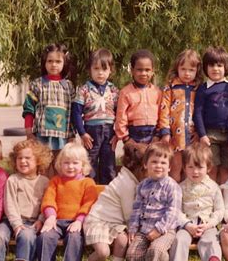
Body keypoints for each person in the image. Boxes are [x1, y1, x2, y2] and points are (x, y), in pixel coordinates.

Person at [76, 142, 147, 261]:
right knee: (103, 252)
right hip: (99, 221)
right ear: (139, 168)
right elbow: (129, 215)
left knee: (122, 240)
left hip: (115, 224)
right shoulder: (126, 183)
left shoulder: (131, 179)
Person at [0, 139, 52, 261]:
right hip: (11, 220)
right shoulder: (13, 179)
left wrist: (41, 220)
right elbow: (10, 204)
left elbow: (47, 204)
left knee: (27, 236)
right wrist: (16, 224)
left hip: (33, 222)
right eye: (20, 158)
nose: (23, 161)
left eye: (28, 158)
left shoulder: (45, 182)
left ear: (38, 160)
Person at [36, 143, 98, 261]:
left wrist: (79, 220)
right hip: (56, 221)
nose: (70, 167)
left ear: (83, 165)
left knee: (74, 238)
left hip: (76, 222)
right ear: (60, 164)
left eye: (75, 163)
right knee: (45, 236)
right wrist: (50, 217)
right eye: (66, 163)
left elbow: (89, 203)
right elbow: (48, 199)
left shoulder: (87, 182)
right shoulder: (56, 181)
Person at [164, 143, 224, 261]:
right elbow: (176, 211)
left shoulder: (214, 187)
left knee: (211, 239)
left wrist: (210, 224)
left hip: (206, 225)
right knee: (179, 239)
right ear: (184, 168)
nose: (195, 172)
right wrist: (186, 224)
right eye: (190, 167)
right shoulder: (180, 187)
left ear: (208, 168)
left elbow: (220, 210)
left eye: (199, 167)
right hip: (187, 225)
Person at [126, 142, 182, 261]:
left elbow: (173, 212)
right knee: (132, 254)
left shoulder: (172, 186)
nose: (158, 166)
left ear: (169, 167)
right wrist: (132, 227)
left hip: (165, 231)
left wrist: (158, 230)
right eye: (154, 162)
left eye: (163, 163)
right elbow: (137, 208)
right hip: (144, 229)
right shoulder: (143, 186)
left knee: (156, 250)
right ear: (146, 164)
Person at [71, 48, 119, 184]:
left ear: (110, 70)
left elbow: (120, 113)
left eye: (104, 69)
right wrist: (82, 133)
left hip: (109, 131)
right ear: (90, 70)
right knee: (89, 162)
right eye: (96, 68)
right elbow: (76, 113)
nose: (100, 73)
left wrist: (117, 133)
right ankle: (89, 190)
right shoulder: (84, 90)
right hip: (91, 132)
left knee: (108, 163)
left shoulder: (114, 90)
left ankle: (108, 193)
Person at [193, 46, 228, 184]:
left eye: (219, 65)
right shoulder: (203, 88)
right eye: (211, 65)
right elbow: (198, 113)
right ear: (205, 68)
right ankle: (212, 196)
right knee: (211, 167)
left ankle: (224, 199)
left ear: (226, 67)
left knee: (227, 168)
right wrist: (202, 135)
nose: (215, 69)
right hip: (210, 135)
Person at [158, 49, 204, 182]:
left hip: (192, 136)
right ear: (177, 68)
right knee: (175, 168)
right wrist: (165, 132)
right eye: (183, 69)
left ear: (197, 71)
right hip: (175, 137)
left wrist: (200, 133)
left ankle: (187, 199)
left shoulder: (199, 88)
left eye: (191, 70)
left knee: (190, 168)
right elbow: (164, 109)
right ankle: (174, 197)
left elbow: (202, 111)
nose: (187, 73)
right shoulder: (170, 87)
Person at [23, 43, 75, 155]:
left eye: (58, 61)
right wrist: (28, 131)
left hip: (62, 135)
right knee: (43, 165)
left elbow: (73, 113)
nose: (54, 65)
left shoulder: (68, 86)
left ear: (64, 63)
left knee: (60, 165)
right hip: (42, 135)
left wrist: (72, 135)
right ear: (44, 63)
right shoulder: (37, 84)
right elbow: (29, 109)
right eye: (50, 61)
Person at [115, 49, 161, 145]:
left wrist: (158, 135)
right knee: (135, 159)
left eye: (147, 70)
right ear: (132, 70)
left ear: (153, 71)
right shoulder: (125, 92)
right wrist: (126, 138)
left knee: (152, 159)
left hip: (154, 135)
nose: (143, 73)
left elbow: (162, 114)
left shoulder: (157, 92)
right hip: (133, 135)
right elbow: (120, 117)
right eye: (139, 70)